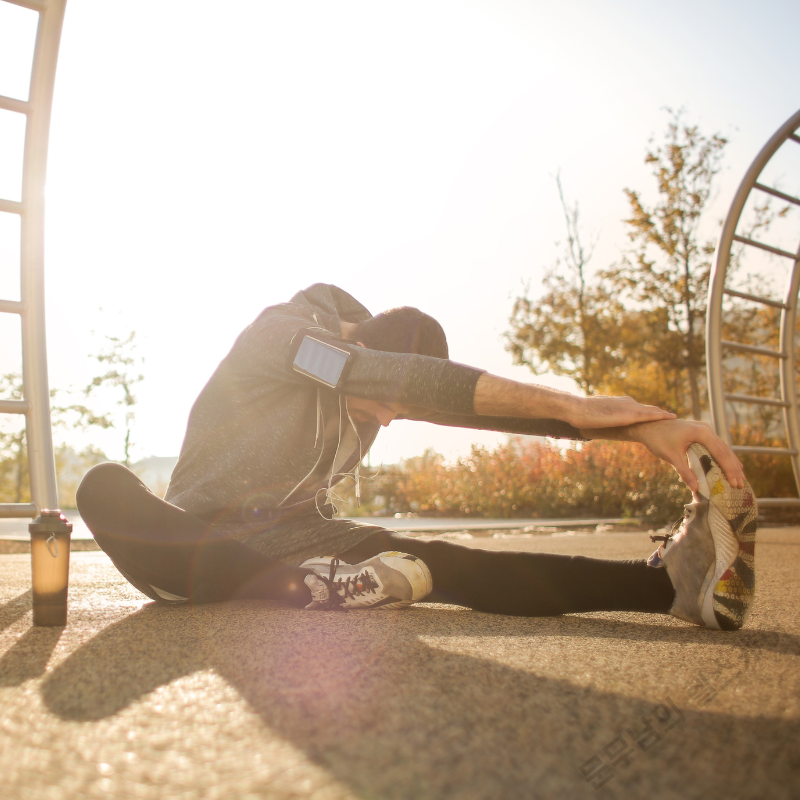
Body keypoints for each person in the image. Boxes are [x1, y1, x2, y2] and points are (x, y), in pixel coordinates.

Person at [76, 284, 756, 631]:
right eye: (389, 401)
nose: (391, 419)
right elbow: (394, 382)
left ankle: (667, 587)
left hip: (302, 542)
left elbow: (458, 402)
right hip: (190, 547)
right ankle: (309, 587)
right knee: (103, 486)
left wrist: (635, 431)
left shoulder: (370, 383)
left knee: (445, 560)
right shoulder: (286, 338)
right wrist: (578, 407)